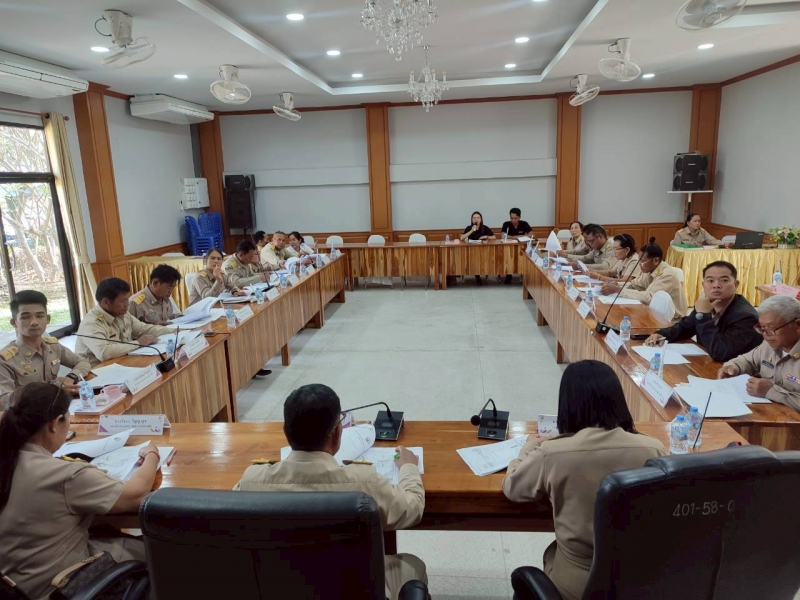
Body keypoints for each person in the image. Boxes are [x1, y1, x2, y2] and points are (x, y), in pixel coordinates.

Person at [233, 384, 427, 600]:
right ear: (337, 433)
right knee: (414, 565)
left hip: (279, 587)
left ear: (286, 431)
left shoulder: (251, 483)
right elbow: (413, 507)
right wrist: (408, 467)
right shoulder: (363, 484)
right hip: (351, 588)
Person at [502, 360, 666, 600]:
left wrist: (527, 449)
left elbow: (512, 488)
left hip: (578, 586)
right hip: (640, 582)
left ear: (568, 405)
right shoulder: (653, 449)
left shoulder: (553, 453)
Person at [0, 383, 159, 600]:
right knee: (159, 549)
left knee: (109, 534)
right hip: (56, 587)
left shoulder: (8, 458)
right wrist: (152, 454)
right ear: (54, 424)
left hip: (16, 583)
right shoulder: (64, 475)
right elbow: (137, 494)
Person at [646, 261, 762, 362]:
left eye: (724, 280)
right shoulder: (708, 303)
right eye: (710, 281)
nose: (716, 285)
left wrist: (704, 316)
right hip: (708, 364)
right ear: (703, 284)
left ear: (736, 284)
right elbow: (684, 328)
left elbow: (720, 352)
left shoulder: (746, 317)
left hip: (736, 374)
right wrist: (661, 334)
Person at [0, 291, 90, 408]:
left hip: (59, 406)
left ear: (47, 319)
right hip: (29, 414)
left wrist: (71, 377)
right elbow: (4, 401)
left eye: (39, 316)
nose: (34, 322)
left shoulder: (52, 345)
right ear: (14, 322)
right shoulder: (5, 359)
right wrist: (51, 390)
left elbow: (82, 362)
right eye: (25, 317)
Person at [719, 295, 800, 411]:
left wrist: (771, 391)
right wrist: (733, 367)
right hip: (769, 413)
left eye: (771, 328)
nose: (765, 334)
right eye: (762, 328)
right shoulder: (770, 344)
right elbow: (748, 360)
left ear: (797, 325)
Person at [76, 278, 173, 367]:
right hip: (96, 373)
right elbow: (104, 353)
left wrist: (173, 331)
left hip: (122, 364)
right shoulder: (91, 323)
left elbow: (143, 329)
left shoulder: (122, 313)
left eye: (127, 299)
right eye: (123, 301)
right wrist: (138, 343)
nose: (127, 304)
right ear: (106, 302)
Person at [600, 238, 689, 320]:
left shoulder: (667, 274)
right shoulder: (649, 269)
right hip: (652, 311)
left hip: (672, 320)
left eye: (642, 261)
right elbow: (634, 284)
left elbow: (649, 297)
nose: (639, 265)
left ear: (655, 261)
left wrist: (619, 290)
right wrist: (615, 285)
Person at [460, 211, 496, 286]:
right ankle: (477, 276)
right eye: (474, 218)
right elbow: (461, 238)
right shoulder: (469, 228)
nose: (476, 219)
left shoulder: (485, 228)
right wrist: (471, 230)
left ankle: (480, 274)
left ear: (481, 219)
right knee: (473, 259)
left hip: (483, 251)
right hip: (471, 251)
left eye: (478, 218)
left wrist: (486, 236)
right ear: (472, 220)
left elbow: (494, 237)